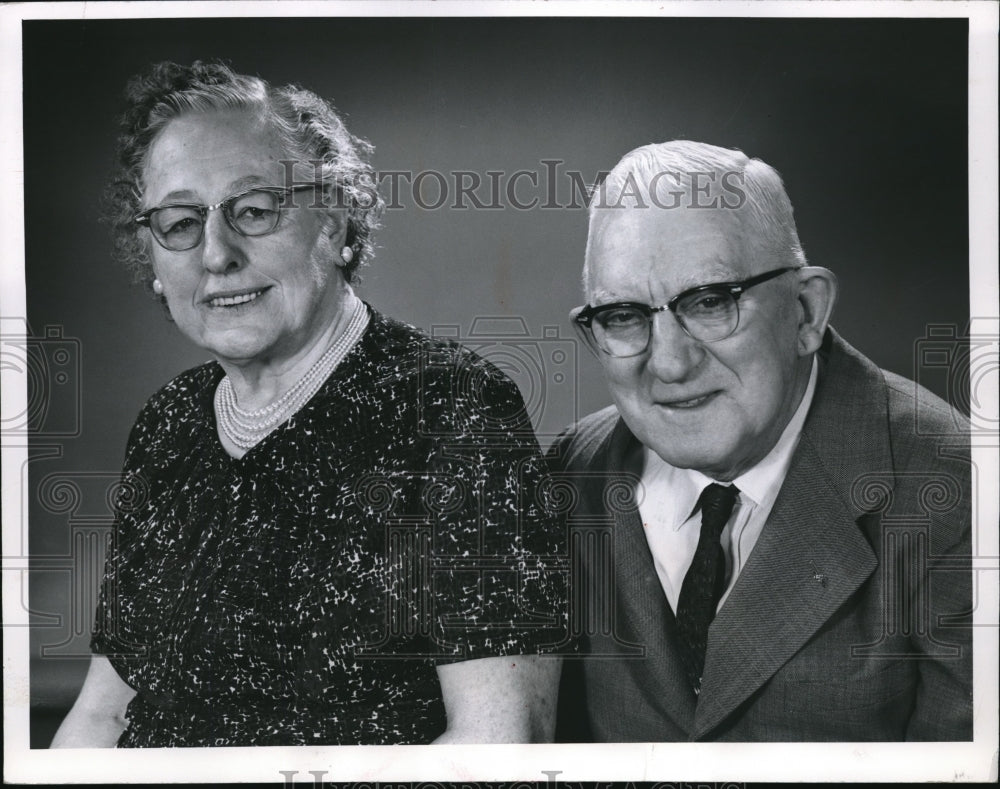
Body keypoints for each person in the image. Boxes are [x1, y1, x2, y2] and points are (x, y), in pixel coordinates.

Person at [51, 61, 565, 747]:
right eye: (178, 222)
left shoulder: (453, 409)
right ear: (150, 258)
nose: (216, 254)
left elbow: (503, 737)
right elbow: (102, 713)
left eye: (255, 210)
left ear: (333, 220)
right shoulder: (168, 424)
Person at [552, 140, 972, 741]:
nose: (669, 364)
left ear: (805, 312)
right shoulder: (570, 472)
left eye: (709, 302)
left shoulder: (958, 488)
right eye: (622, 315)